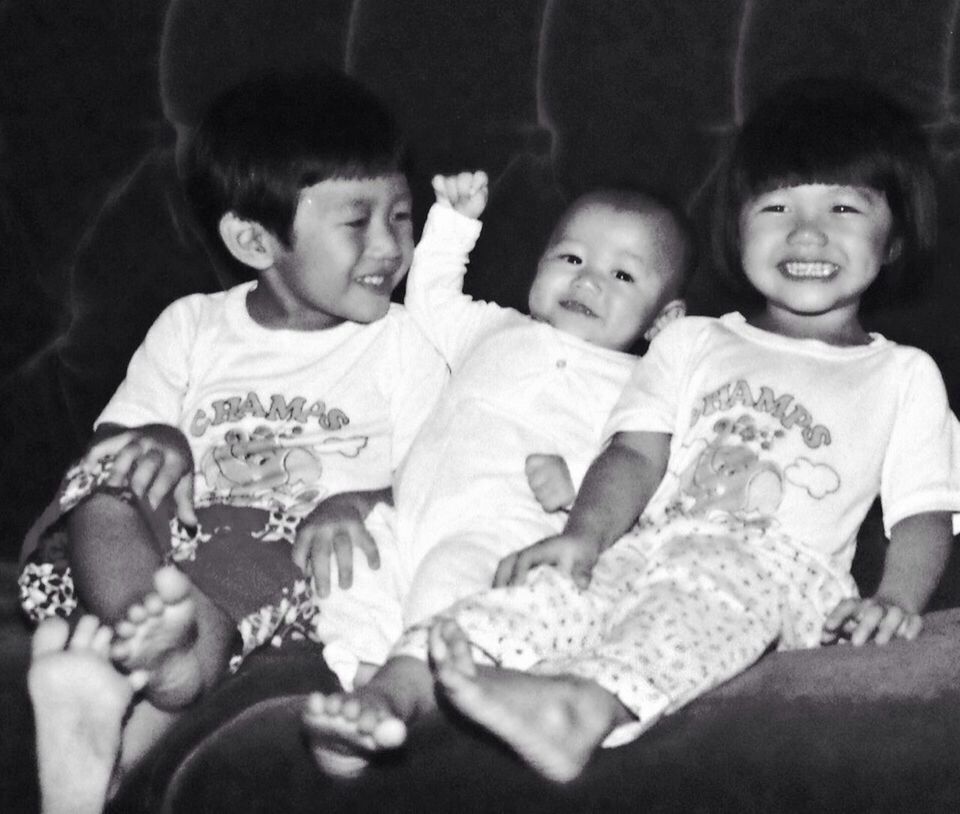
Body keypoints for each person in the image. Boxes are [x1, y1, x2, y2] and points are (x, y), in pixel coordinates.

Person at [303, 78, 960, 783]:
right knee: (533, 598)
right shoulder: (695, 343)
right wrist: (583, 537)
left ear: (893, 239)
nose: (806, 232)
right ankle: (392, 696)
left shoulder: (901, 374)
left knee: (697, 601)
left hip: (776, 573)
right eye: (776, 206)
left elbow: (924, 512)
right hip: (648, 543)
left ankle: (581, 711)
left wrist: (894, 600)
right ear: (738, 229)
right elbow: (634, 455)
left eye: (843, 207)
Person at [18, 70, 447, 810]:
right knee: (107, 476)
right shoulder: (191, 326)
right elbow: (121, 435)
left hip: (291, 549)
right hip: (165, 562)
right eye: (357, 220)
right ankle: (132, 664)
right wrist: (159, 438)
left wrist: (362, 502)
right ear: (254, 239)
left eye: (403, 217)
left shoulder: (404, 342)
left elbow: (442, 469)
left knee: (228, 563)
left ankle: (140, 696)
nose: (390, 246)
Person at [303, 168, 694, 773]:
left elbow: (652, 477)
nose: (587, 278)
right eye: (570, 257)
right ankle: (366, 687)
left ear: (662, 321)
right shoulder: (495, 329)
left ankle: (399, 699)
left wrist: (574, 489)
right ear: (539, 266)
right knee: (351, 572)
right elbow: (430, 299)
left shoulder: (638, 389)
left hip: (497, 535)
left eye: (621, 274)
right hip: (407, 516)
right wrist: (455, 224)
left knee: (448, 584)